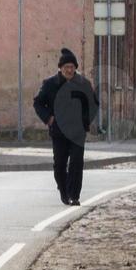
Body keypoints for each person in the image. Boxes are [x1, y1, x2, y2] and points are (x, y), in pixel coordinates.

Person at [33, 48, 100, 206]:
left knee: (77, 162)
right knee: (60, 164)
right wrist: (48, 118)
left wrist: (85, 121)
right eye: (66, 67)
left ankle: (74, 195)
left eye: (72, 67)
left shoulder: (83, 84)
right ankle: (64, 191)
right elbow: (38, 102)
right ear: (60, 68)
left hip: (77, 132)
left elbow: (93, 104)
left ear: (75, 68)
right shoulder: (50, 84)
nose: (69, 70)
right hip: (58, 131)